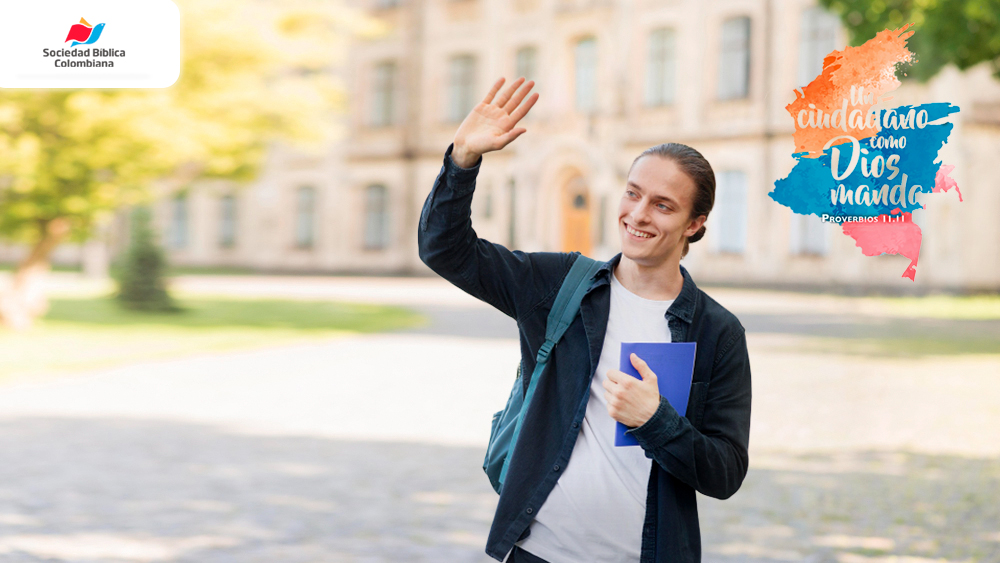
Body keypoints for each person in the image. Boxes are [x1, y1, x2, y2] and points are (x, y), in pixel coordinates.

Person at [417, 76, 752, 563]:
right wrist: (462, 159)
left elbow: (725, 473)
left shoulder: (717, 333)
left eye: (663, 205)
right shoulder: (559, 285)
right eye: (633, 194)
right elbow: (444, 250)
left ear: (695, 224)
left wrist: (655, 421)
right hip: (538, 551)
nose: (638, 214)